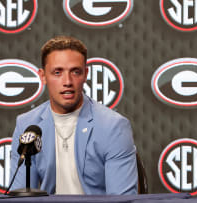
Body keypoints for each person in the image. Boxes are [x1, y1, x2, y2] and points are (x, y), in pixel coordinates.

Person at [10, 36, 138, 195]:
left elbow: (121, 200)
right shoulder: (27, 125)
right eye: (57, 72)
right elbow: (19, 195)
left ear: (85, 74)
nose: (67, 81)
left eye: (75, 72)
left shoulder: (113, 127)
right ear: (43, 76)